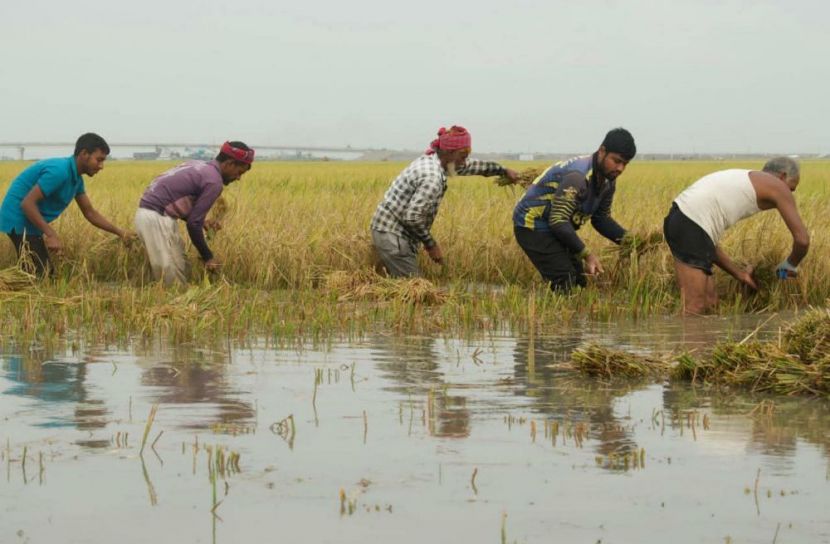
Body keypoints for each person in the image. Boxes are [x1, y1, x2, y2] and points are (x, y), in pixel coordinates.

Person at [663, 156, 809, 315]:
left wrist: (740, 274)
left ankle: (699, 339)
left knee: (710, 303)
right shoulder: (778, 186)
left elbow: (707, 243)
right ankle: (677, 339)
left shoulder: (745, 181)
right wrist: (788, 266)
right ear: (782, 177)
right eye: (791, 188)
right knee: (695, 306)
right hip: (688, 224)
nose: (790, 194)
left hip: (682, 222)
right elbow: (802, 240)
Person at [370, 126, 518, 277]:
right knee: (414, 289)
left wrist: (503, 170)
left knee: (393, 284)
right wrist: (431, 246)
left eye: (467, 154)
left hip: (388, 230)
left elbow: (473, 167)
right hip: (392, 235)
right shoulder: (432, 177)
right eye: (462, 155)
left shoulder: (441, 161)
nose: (465, 160)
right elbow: (412, 217)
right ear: (449, 152)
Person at [512, 128, 637, 291]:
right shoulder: (578, 176)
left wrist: (630, 241)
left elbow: (601, 219)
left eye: (625, 164)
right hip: (532, 225)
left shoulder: (608, 181)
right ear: (602, 151)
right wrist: (587, 255)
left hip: (557, 226)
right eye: (616, 161)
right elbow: (558, 221)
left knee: (580, 282)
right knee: (566, 281)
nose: (620, 168)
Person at [0, 132, 134, 276]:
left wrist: (121, 233)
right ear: (84, 154)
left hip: (30, 221)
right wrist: (51, 234)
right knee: (42, 274)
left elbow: (90, 212)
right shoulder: (60, 171)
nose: (101, 166)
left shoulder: (76, 180)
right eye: (99, 160)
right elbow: (27, 204)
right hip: (18, 219)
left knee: (39, 273)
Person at [134, 141, 254, 286]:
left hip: (152, 215)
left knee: (180, 265)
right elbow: (193, 224)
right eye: (239, 172)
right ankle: (170, 306)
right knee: (171, 276)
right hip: (156, 218)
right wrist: (208, 257)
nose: (238, 177)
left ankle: (170, 303)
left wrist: (202, 222)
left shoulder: (196, 165)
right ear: (229, 163)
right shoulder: (214, 182)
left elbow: (175, 202)